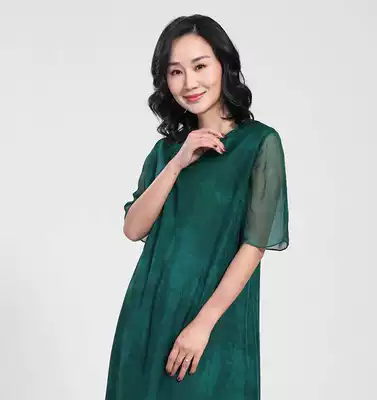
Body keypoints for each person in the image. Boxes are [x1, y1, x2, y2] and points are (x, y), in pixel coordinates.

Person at [105, 14, 289, 400]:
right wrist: (177, 162)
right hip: (148, 316)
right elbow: (133, 228)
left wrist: (203, 325)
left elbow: (254, 246)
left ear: (224, 65)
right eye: (176, 72)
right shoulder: (166, 152)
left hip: (214, 322)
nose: (189, 82)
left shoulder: (259, 143)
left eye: (200, 66)